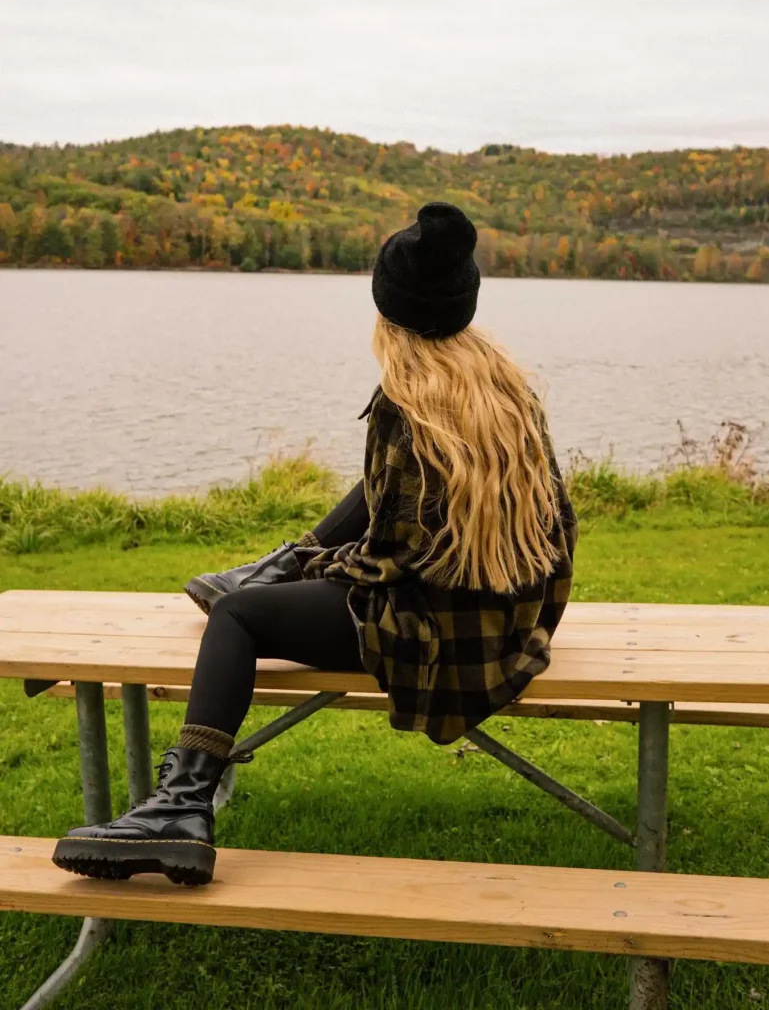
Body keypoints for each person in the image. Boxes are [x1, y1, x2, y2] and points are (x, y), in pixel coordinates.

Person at [52, 202, 578, 886]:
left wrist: (314, 568)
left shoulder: (411, 407)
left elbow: (393, 560)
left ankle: (181, 807)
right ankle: (276, 562)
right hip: (505, 618)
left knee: (239, 616)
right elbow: (555, 528)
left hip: (433, 634)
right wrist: (533, 611)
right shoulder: (505, 391)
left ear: (389, 311)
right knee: (318, 538)